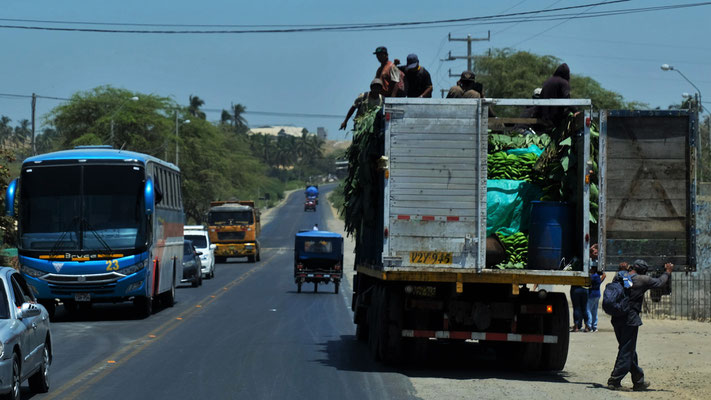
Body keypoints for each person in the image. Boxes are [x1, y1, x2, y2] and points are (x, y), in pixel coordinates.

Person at [607, 259, 674, 391]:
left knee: (628, 348)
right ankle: (614, 380)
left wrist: (622, 269)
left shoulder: (620, 276)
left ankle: (638, 380)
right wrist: (667, 272)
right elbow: (660, 282)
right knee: (626, 350)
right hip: (629, 319)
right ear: (643, 271)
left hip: (617, 317)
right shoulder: (642, 280)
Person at [537, 63, 572, 129]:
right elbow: (567, 99)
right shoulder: (564, 83)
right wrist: (575, 111)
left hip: (543, 117)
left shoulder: (548, 81)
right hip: (555, 118)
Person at [587, 264, 606, 332]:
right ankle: (594, 326)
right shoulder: (597, 276)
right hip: (597, 294)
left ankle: (589, 326)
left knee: (588, 310)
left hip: (591, 294)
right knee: (594, 311)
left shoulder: (593, 276)